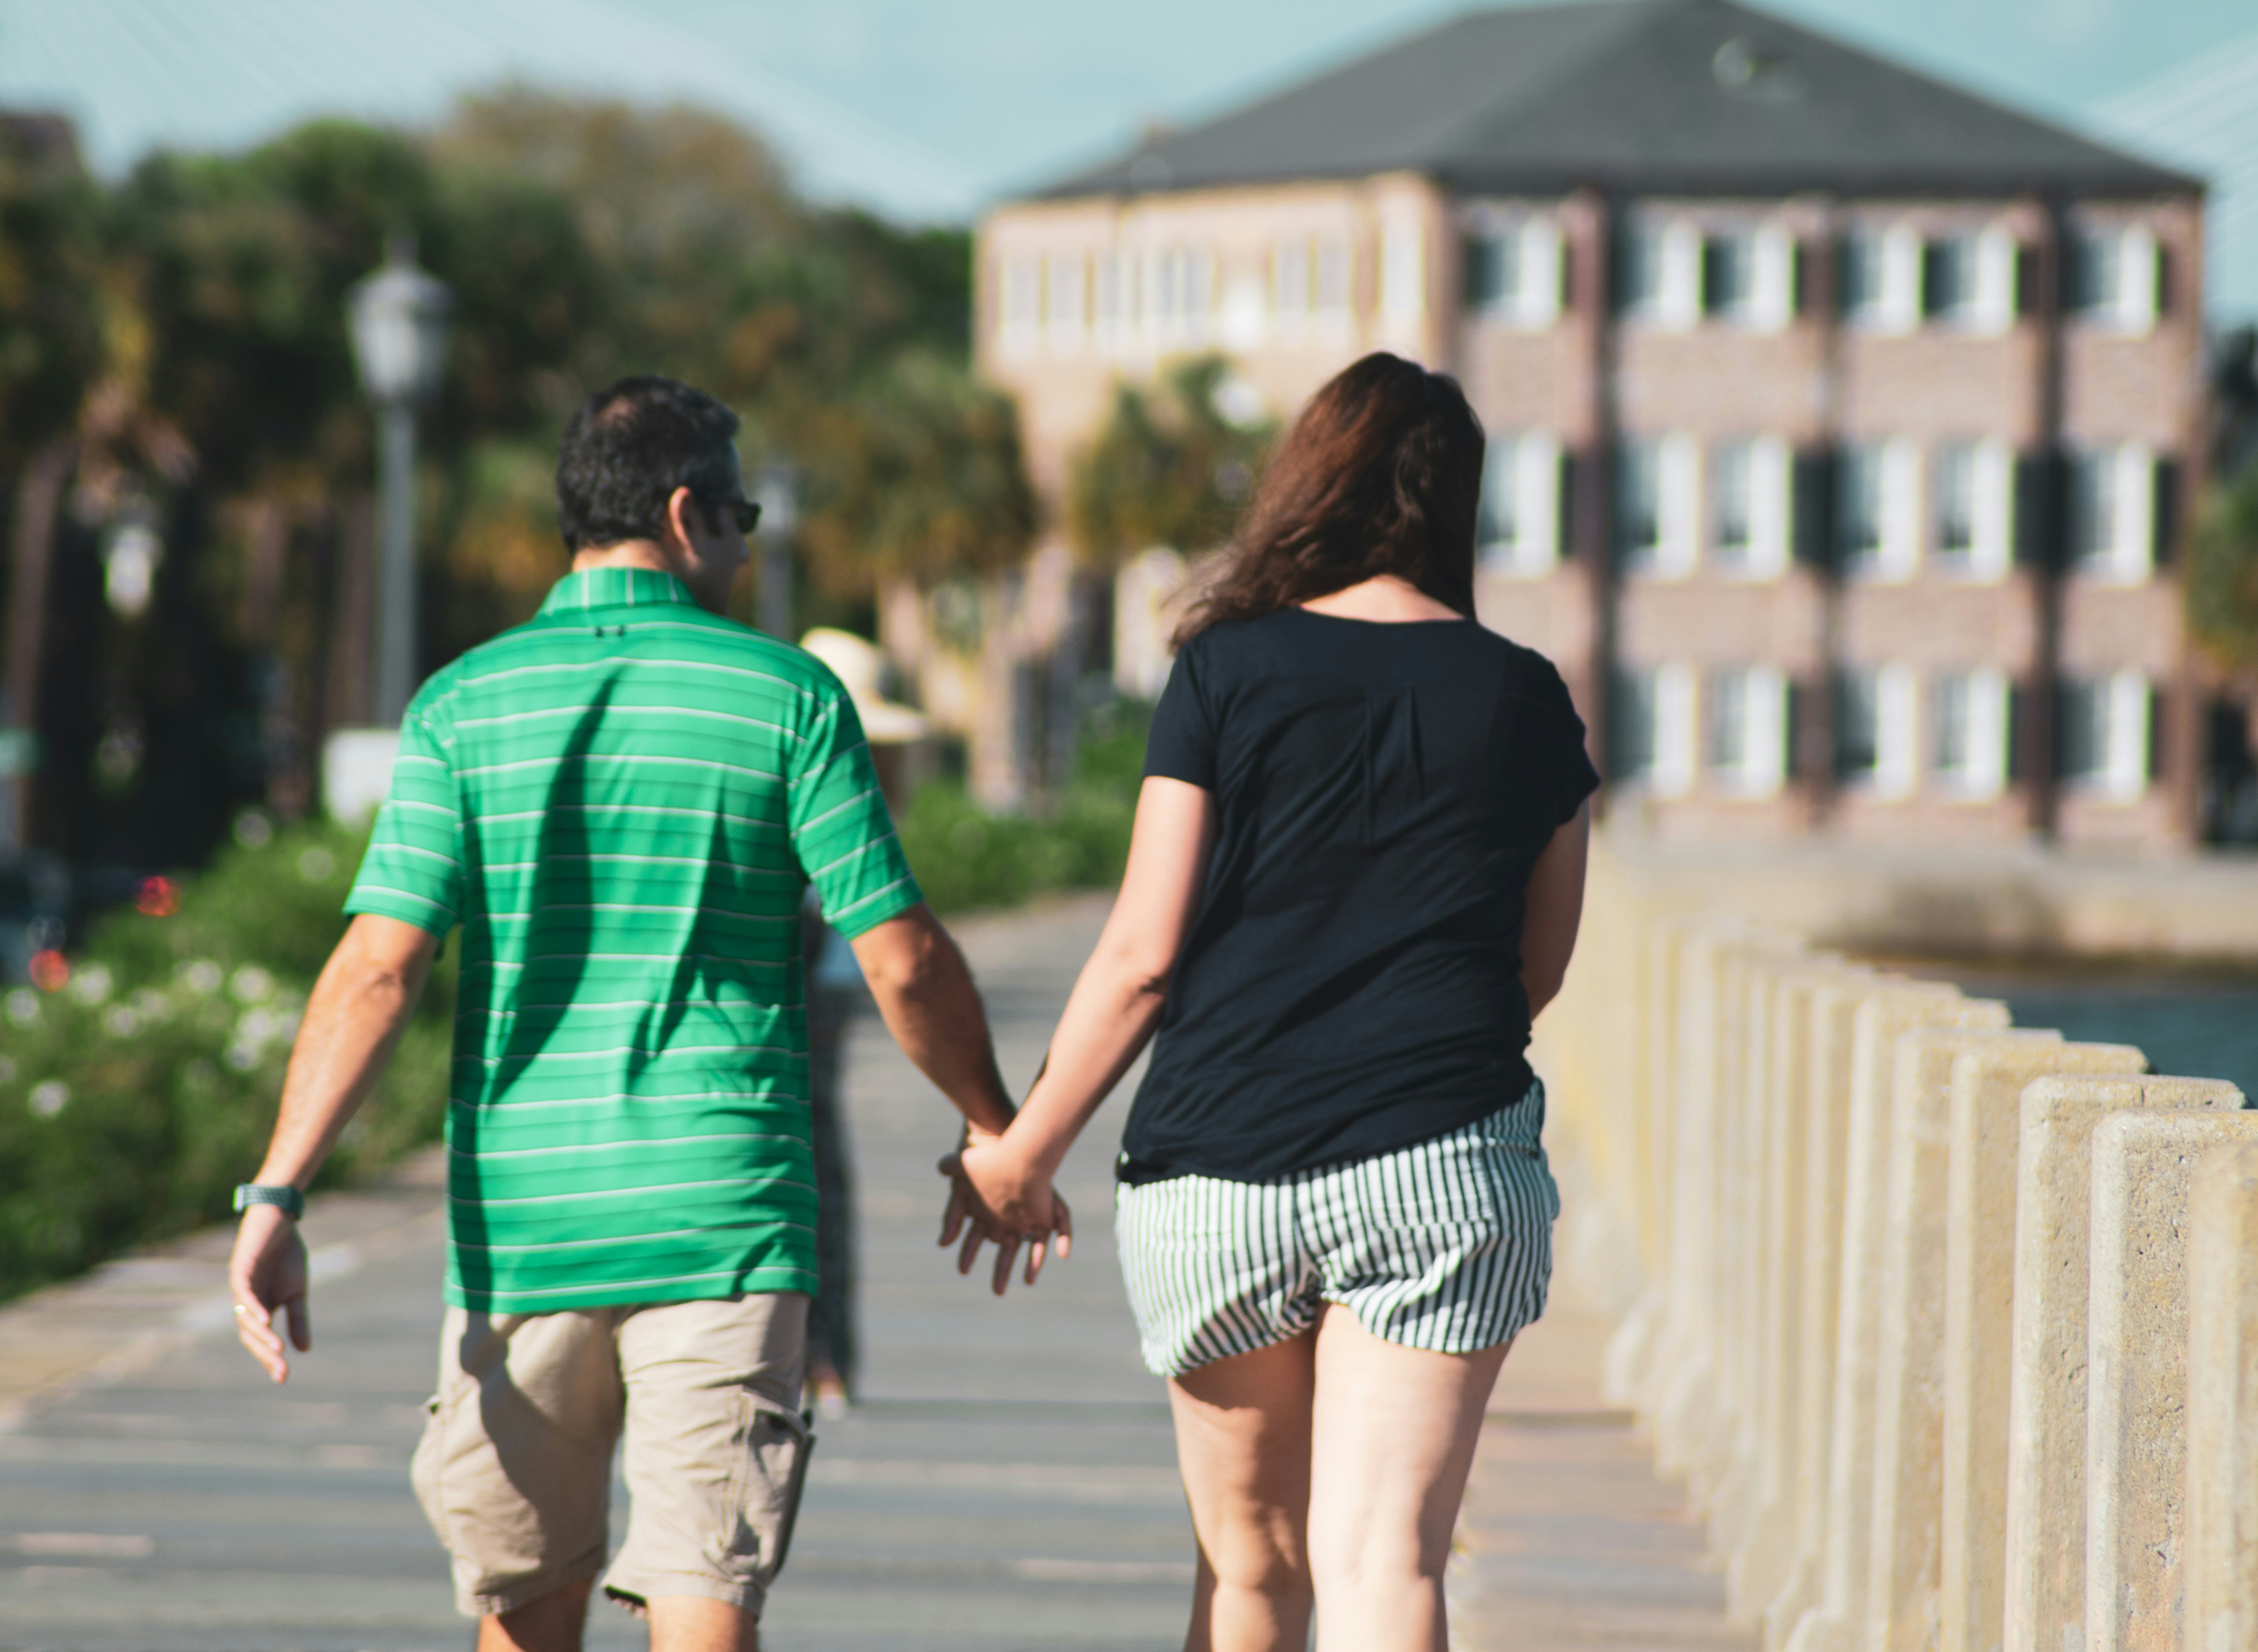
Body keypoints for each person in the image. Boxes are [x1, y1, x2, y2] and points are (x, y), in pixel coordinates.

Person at [224, 375, 1064, 1652]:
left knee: (526, 1610)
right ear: (684, 515)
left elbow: (378, 970)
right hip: (724, 1218)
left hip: (525, 1225)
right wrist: (1000, 1130)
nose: (746, 548)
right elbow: (904, 962)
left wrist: (278, 1193)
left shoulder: (461, 705)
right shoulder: (789, 697)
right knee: (705, 1595)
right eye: (743, 518)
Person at [956, 354, 1595, 1652]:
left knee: (1253, 1574)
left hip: (1218, 1173)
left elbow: (1142, 954)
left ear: (1312, 483)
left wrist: (1025, 1153)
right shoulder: (1525, 694)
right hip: (1439, 1165)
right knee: (1387, 1565)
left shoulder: (1223, 671)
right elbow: (1538, 969)